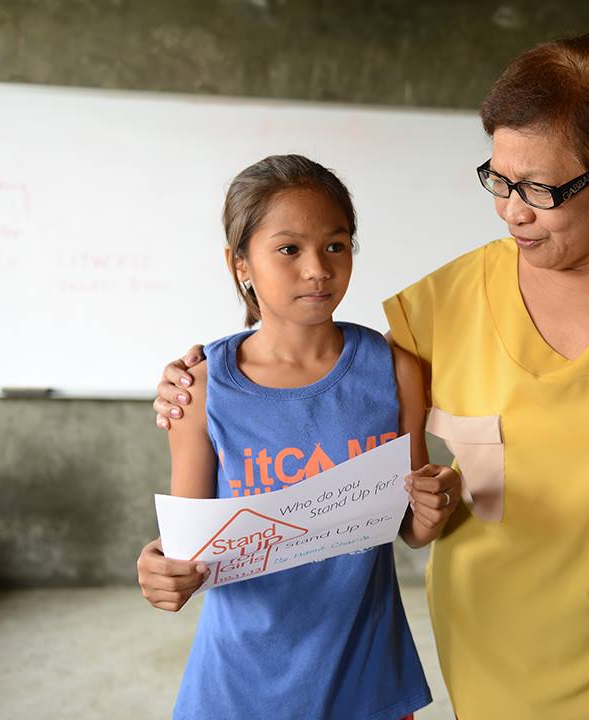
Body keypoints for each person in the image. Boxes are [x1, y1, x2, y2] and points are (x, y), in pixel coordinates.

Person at [149, 34, 589, 720]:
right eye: (499, 179)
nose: (512, 210)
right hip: (491, 664)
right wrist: (197, 379)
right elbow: (321, 385)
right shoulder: (440, 309)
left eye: (540, 189)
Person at [138, 154, 462, 720]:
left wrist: (435, 507)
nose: (317, 269)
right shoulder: (201, 389)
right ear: (239, 263)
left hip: (365, 673)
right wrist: (160, 570)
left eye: (335, 245)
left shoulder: (394, 372)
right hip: (241, 682)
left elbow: (411, 528)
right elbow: (188, 552)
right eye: (288, 249)